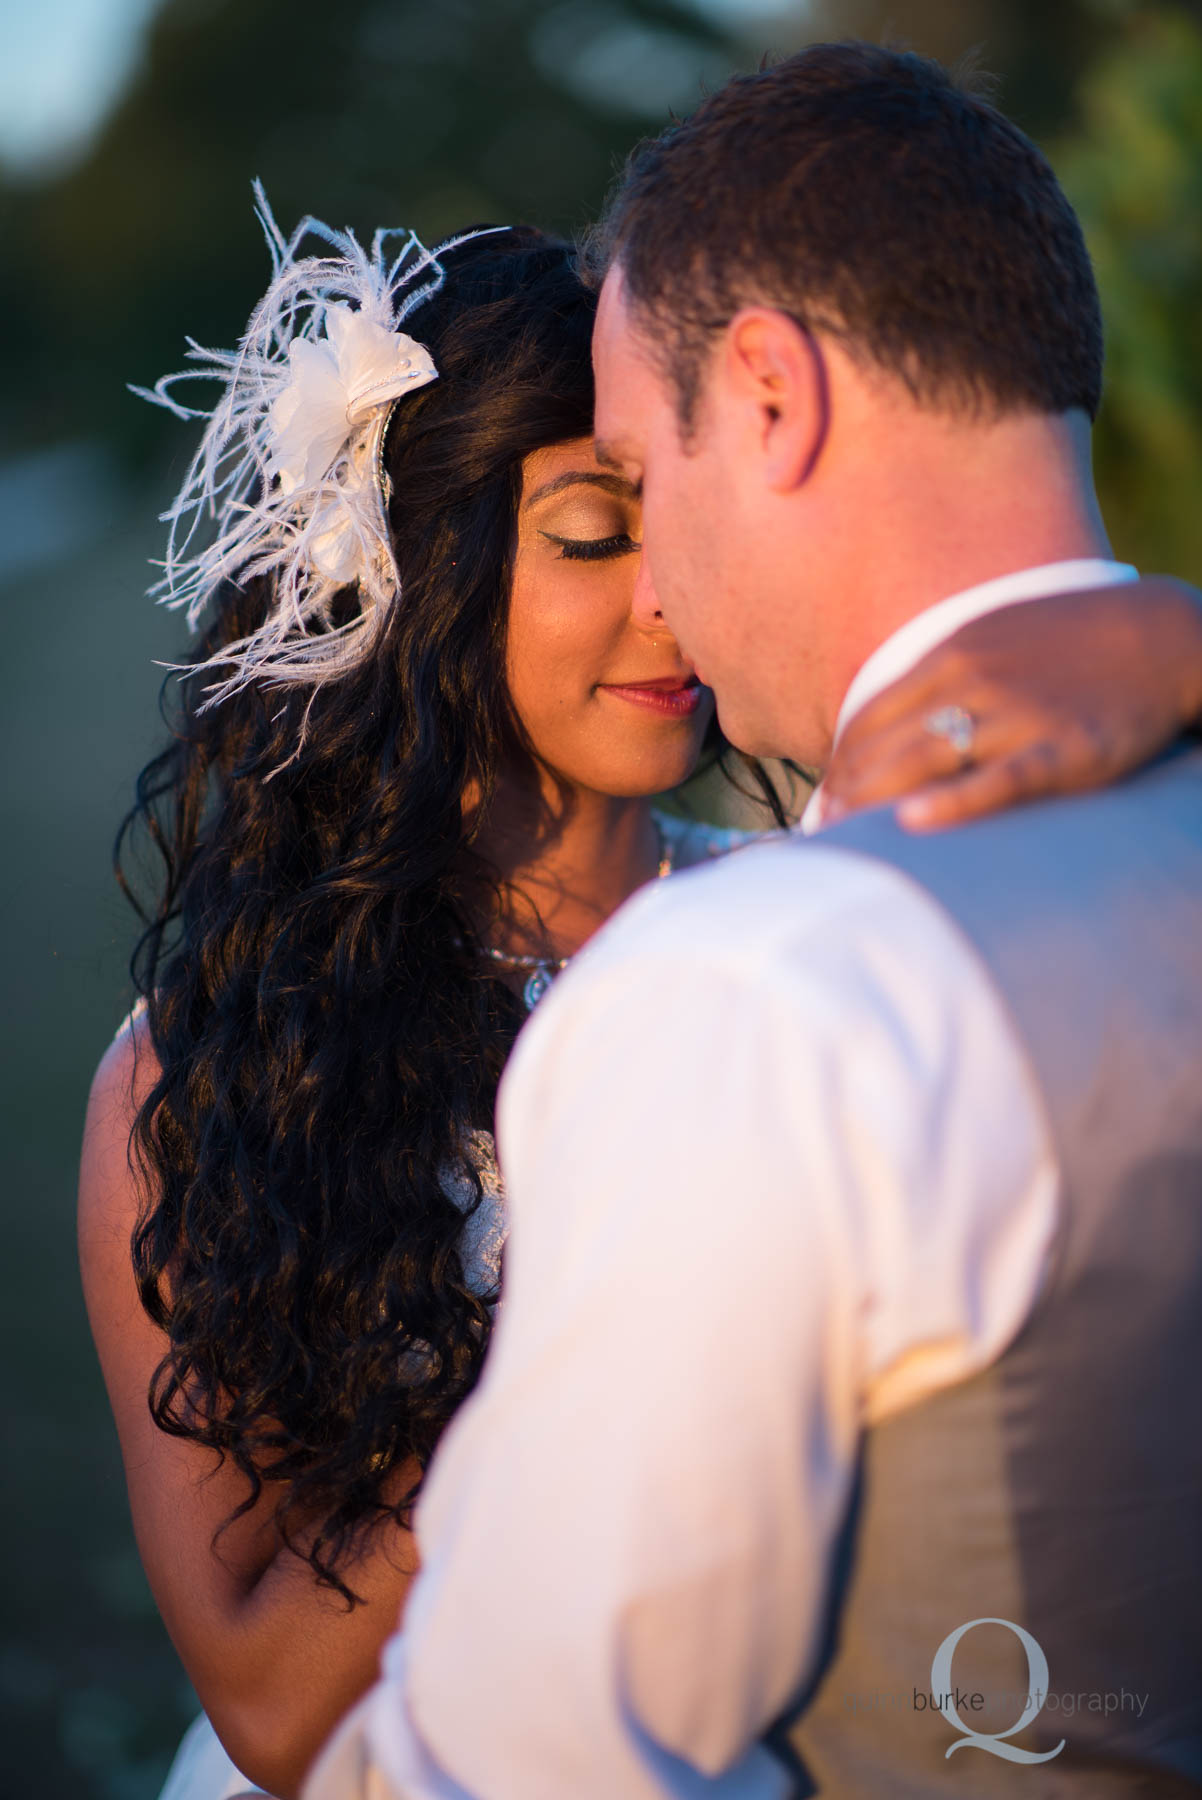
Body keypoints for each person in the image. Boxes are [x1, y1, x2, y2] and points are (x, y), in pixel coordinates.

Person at [81, 177, 1200, 1800]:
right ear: (416, 574)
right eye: (591, 538)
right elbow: (267, 1702)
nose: (663, 596)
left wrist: (1166, 640)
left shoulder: (818, 925)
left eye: (667, 518)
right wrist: (607, 1284)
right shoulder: (217, 1068)